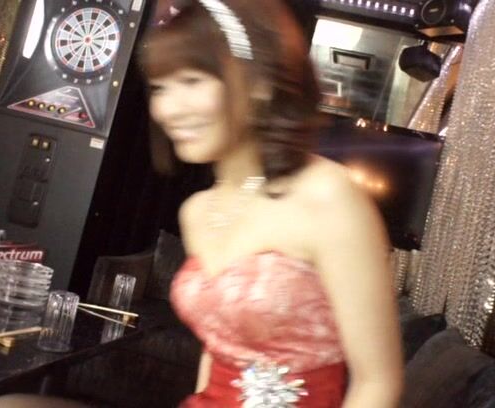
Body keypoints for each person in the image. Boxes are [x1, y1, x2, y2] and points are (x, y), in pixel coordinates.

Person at [140, 0, 404, 407]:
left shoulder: (327, 195)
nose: (168, 109)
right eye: (160, 87)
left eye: (192, 80)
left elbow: (378, 382)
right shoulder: (197, 212)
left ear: (260, 82)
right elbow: (217, 346)